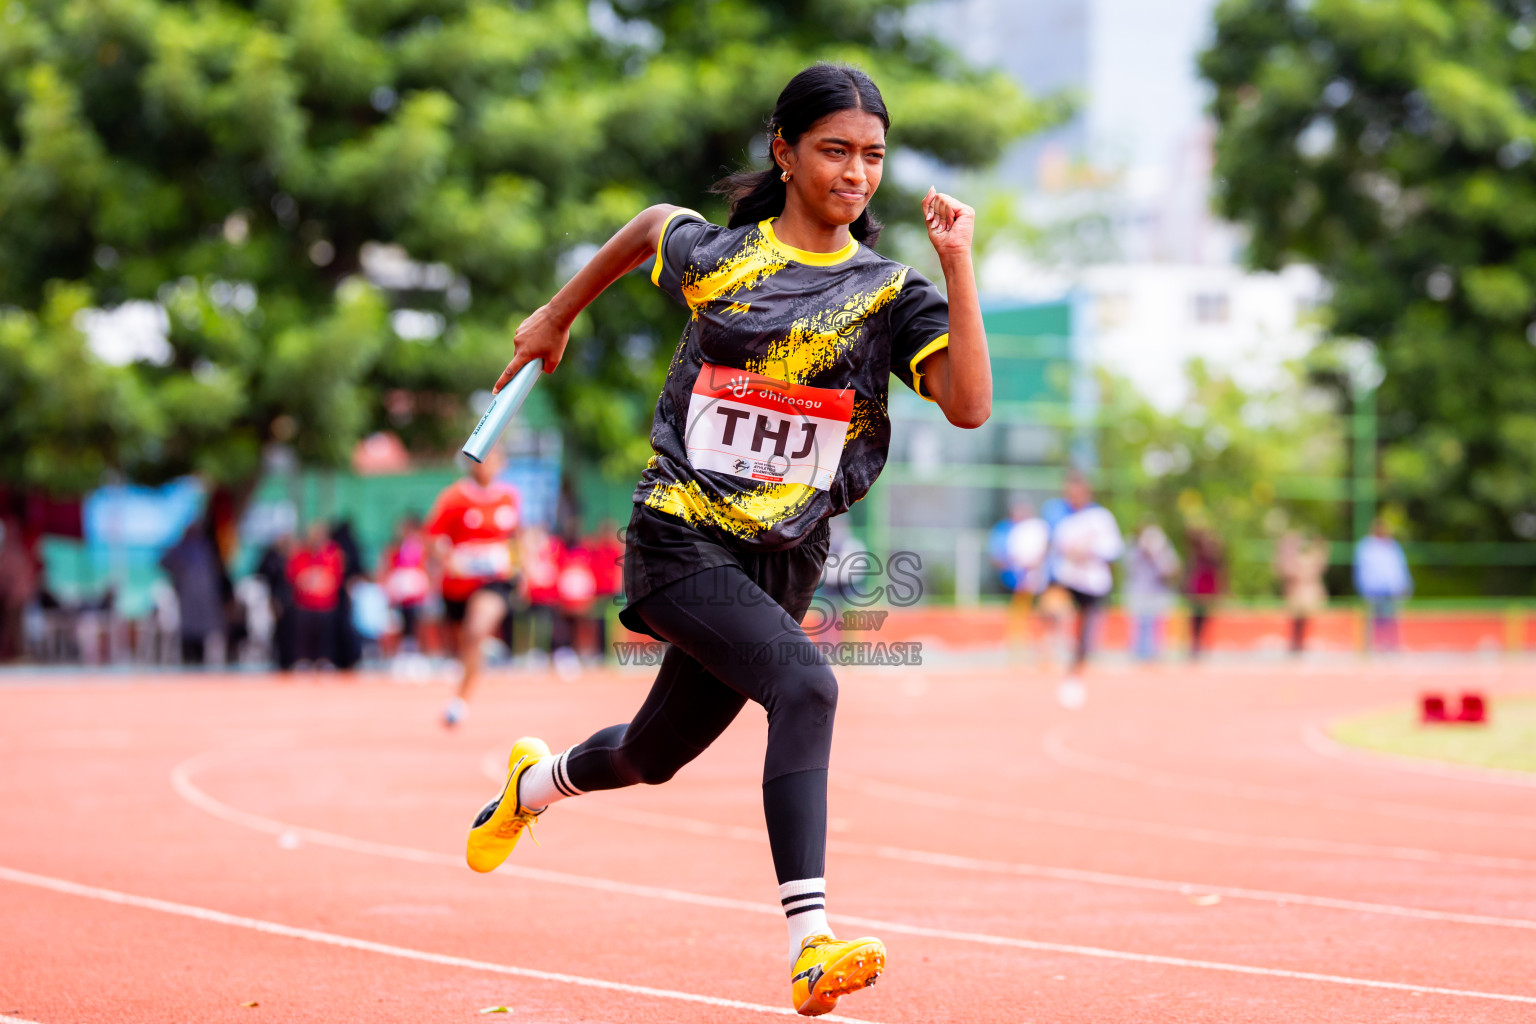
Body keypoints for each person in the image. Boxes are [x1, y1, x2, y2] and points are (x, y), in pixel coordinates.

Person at [462, 64, 990, 1017]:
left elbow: (968, 406)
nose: (856, 174)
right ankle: (810, 943)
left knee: (654, 755)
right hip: (677, 536)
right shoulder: (723, 259)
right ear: (784, 152)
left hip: (783, 557)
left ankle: (532, 784)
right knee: (808, 683)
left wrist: (956, 264)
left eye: (873, 156)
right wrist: (554, 317)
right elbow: (651, 223)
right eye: (835, 150)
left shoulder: (887, 294)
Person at [424, 446, 523, 725]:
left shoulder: (508, 497)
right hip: (457, 586)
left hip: (495, 581)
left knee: (475, 630)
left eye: (495, 458)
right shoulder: (454, 497)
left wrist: (523, 569)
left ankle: (459, 702)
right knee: (464, 644)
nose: (489, 464)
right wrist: (449, 558)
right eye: (485, 458)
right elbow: (432, 538)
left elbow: (516, 538)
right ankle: (477, 657)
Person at [1046, 474, 1123, 707]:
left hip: (1093, 584)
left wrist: (1088, 550)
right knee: (1052, 610)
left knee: (1086, 633)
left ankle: (1075, 674)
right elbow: (1055, 549)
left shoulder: (1100, 518)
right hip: (1068, 581)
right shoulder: (1062, 520)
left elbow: (1113, 549)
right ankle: (1058, 650)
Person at [159, 519, 228, 666]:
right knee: (191, 636)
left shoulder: (203, 548)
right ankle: (192, 664)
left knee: (198, 636)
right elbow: (164, 562)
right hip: (192, 598)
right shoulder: (196, 548)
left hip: (199, 599)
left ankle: (195, 664)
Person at [286, 521, 345, 667]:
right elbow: (294, 576)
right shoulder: (300, 554)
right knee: (303, 635)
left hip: (325, 603)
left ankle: (325, 660)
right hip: (304, 603)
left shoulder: (332, 554)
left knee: (326, 636)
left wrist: (318, 581)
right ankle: (302, 660)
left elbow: (334, 578)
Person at [1123, 522, 1180, 662]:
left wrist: (1157, 556)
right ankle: (1138, 651)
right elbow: (1128, 566)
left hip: (1158, 592)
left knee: (1157, 623)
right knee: (1139, 623)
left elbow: (1170, 570)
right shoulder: (1135, 551)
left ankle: (1155, 651)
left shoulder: (1164, 551)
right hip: (1138, 591)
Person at [1354, 518, 1411, 652]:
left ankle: (1392, 646)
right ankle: (1372, 647)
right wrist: (1363, 587)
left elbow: (1399, 567)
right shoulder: (1366, 546)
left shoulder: (1393, 546)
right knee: (1372, 619)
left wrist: (1404, 583)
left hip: (1392, 589)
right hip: (1373, 589)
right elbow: (1361, 569)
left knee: (1392, 618)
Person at [380, 514, 432, 655]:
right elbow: (387, 565)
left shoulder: (421, 546)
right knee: (398, 620)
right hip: (401, 589)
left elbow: (426, 565)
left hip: (416, 589)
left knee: (417, 619)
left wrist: (427, 585)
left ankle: (417, 649)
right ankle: (399, 649)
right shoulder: (396, 547)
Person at [1274, 529, 1328, 655]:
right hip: (1297, 594)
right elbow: (1284, 571)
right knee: (1296, 621)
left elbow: (1320, 565)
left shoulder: (1308, 558)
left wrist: (1320, 546)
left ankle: (1300, 645)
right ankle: (1295, 645)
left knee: (1303, 621)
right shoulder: (1295, 560)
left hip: (1305, 594)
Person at [1185, 528, 1225, 660]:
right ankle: (1195, 645)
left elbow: (1219, 574)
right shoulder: (1197, 556)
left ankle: (1202, 645)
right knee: (1196, 619)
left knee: (1204, 619)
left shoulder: (1213, 558)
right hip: (1198, 591)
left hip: (1207, 590)